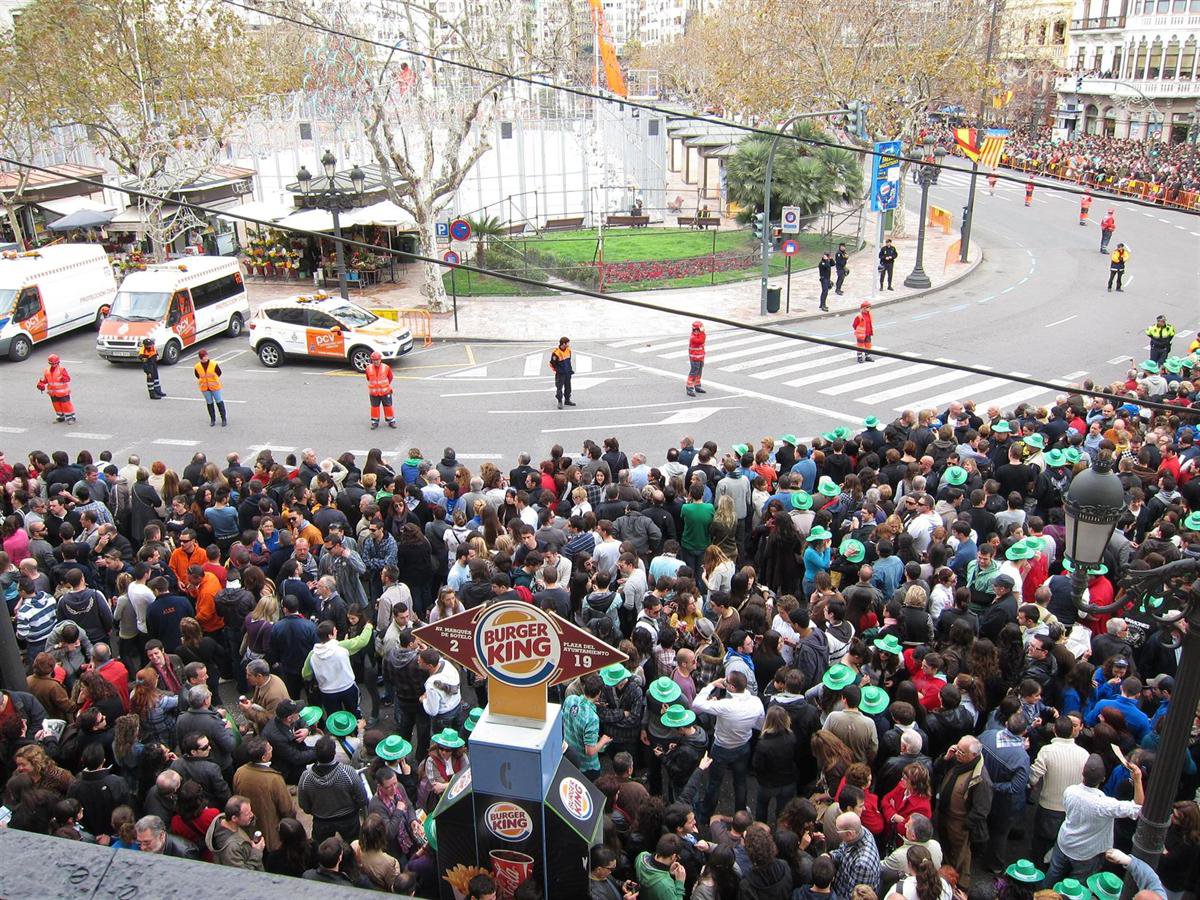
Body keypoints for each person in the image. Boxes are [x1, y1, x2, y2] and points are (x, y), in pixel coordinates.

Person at [1043, 752, 1143, 884]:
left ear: (1082, 774)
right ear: (1103, 779)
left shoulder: (1070, 791)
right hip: (1087, 854)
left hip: (1065, 843)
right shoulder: (1106, 805)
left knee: (1053, 873)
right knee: (1077, 886)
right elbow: (1137, 808)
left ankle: (1042, 892)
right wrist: (1137, 779)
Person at [36, 354, 76, 423]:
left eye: (55, 363)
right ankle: (60, 416)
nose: (53, 364)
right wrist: (41, 383)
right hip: (53, 392)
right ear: (49, 363)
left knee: (66, 405)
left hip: (63, 392)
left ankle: (71, 417)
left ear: (58, 362)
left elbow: (68, 378)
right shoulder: (47, 370)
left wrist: (64, 378)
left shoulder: (61, 369)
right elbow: (45, 379)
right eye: (51, 363)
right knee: (56, 405)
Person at [193, 349, 227, 427]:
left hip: (215, 386)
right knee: (209, 403)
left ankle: (224, 419)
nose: (206, 357)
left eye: (206, 356)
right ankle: (212, 419)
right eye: (204, 356)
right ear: (201, 358)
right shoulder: (197, 367)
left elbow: (219, 373)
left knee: (219, 402)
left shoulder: (213, 364)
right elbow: (197, 375)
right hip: (205, 388)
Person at [364, 350, 397, 430]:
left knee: (388, 406)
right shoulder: (368, 368)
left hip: (385, 392)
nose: (376, 361)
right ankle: (375, 422)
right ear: (372, 360)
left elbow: (390, 377)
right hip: (374, 393)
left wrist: (384, 385)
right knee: (374, 408)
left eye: (377, 360)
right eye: (374, 360)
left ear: (380, 359)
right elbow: (368, 378)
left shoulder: (386, 367)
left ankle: (391, 421)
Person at [550, 336, 575, 409]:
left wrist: (569, 370)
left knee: (568, 388)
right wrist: (558, 371)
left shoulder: (568, 350)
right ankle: (560, 401)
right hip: (560, 374)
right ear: (563, 344)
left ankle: (567, 400)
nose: (568, 345)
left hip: (568, 373)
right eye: (567, 343)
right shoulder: (556, 353)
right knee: (559, 388)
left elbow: (569, 361)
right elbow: (552, 364)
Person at [687, 320, 707, 397]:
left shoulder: (699, 335)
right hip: (695, 358)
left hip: (700, 357)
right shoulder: (694, 337)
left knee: (699, 372)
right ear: (696, 329)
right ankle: (689, 387)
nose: (702, 330)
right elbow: (701, 340)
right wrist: (702, 332)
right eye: (700, 328)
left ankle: (697, 385)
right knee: (694, 372)